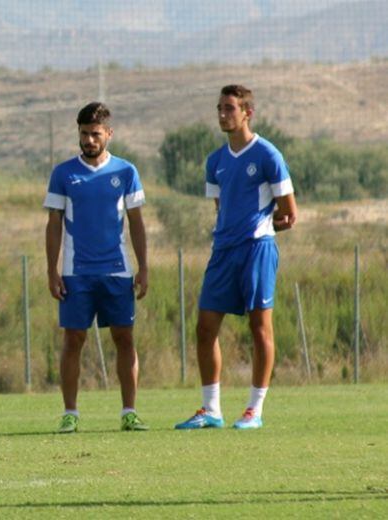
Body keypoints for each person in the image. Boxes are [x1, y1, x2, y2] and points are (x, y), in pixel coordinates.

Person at [175, 84, 297, 431]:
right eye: (219, 108)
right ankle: (211, 410)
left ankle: (254, 410)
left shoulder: (268, 155)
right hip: (223, 252)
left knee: (259, 329)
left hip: (257, 250)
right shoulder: (215, 162)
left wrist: (261, 228)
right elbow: (222, 208)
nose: (222, 114)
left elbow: (289, 213)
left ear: (247, 113)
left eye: (229, 108)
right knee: (204, 328)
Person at [44, 102, 149, 434]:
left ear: (109, 134)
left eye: (95, 134)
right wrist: (52, 270)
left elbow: (136, 223)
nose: (89, 140)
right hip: (76, 273)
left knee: (124, 337)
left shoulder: (126, 172)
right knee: (74, 339)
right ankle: (70, 413)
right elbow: (53, 224)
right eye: (84, 134)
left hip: (117, 271)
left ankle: (129, 412)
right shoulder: (63, 174)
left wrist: (143, 267)